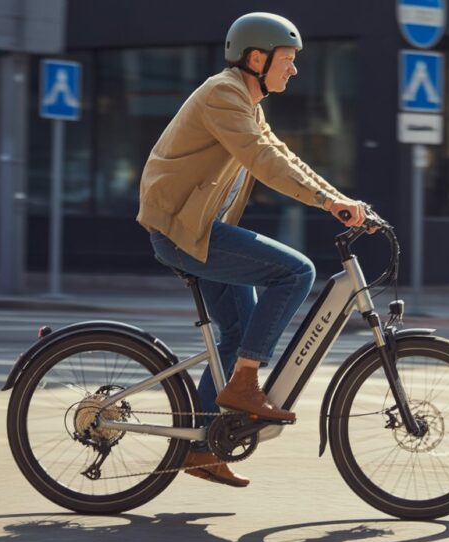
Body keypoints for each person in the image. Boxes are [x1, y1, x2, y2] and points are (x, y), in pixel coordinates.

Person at [137, 12, 370, 487]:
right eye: (288, 59)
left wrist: (338, 200)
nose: (295, 69)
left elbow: (282, 154)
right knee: (296, 273)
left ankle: (201, 449)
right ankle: (245, 385)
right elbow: (262, 161)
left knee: (238, 331)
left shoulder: (247, 103)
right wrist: (329, 201)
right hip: (184, 231)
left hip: (199, 230)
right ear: (257, 59)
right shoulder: (223, 94)